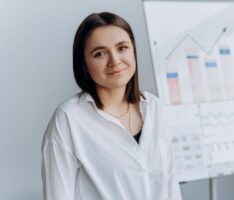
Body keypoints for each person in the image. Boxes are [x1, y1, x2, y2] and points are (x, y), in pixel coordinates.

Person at [41, 12, 182, 200]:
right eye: (99, 53)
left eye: (122, 48)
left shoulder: (154, 107)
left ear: (133, 50)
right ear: (84, 64)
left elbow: (171, 189)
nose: (114, 61)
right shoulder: (69, 119)